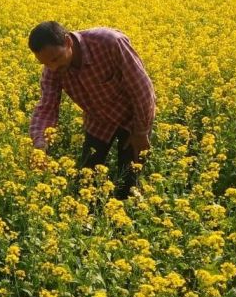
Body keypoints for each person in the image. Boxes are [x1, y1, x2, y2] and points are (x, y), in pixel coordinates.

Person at [28, 21, 156, 200]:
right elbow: (46, 107)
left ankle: (126, 217)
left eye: (56, 58)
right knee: (86, 178)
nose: (53, 67)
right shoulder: (53, 69)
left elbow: (142, 89)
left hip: (133, 118)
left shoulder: (109, 43)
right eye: (45, 63)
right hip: (98, 121)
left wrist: (141, 131)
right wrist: (40, 145)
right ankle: (90, 219)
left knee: (129, 179)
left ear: (68, 42)